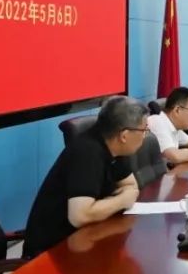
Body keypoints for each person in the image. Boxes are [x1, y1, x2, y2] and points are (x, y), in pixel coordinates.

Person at [24, 96, 146, 257]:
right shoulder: (87, 152)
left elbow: (131, 186)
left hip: (86, 238)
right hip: (51, 252)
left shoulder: (115, 147)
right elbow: (80, 215)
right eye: (144, 130)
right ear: (124, 135)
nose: (145, 135)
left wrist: (119, 199)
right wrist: (122, 200)